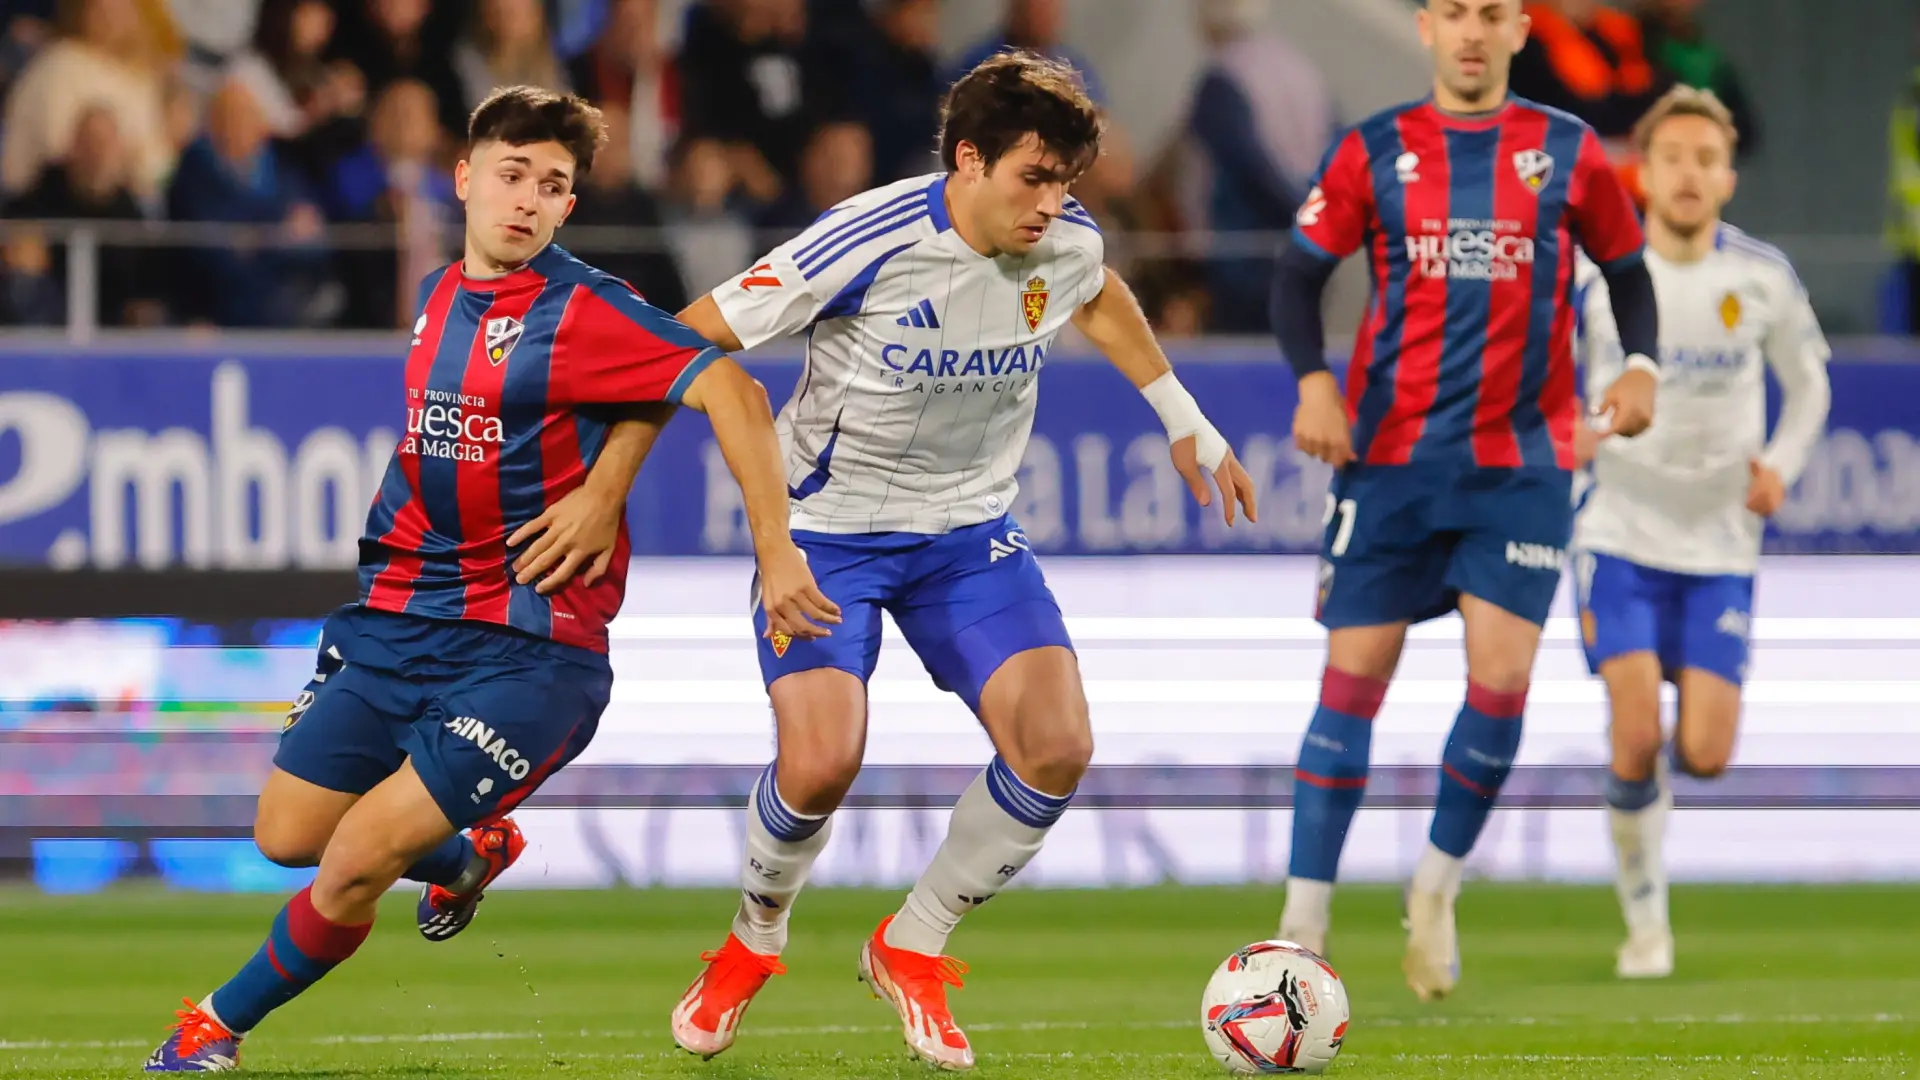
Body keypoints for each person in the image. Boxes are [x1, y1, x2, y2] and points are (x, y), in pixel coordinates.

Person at [142, 84, 835, 1072]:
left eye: (552, 186)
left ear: (567, 208)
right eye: (511, 175)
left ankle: (212, 1028)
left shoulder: (583, 308)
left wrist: (776, 553)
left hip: (528, 654)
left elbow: (728, 385)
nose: (528, 200)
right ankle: (470, 855)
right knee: (288, 832)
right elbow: (437, 454)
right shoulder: (437, 294)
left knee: (351, 862)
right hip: (401, 625)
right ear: (464, 179)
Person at [657, 51, 1257, 1071]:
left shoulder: (1062, 241)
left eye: (1067, 181)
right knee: (821, 760)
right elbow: (691, 338)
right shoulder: (865, 239)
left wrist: (1182, 415)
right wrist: (671, 499)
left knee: (1059, 743)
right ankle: (753, 940)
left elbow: (1098, 290)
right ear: (968, 160)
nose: (1052, 203)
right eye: (1033, 177)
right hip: (828, 533)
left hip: (965, 535)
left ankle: (914, 941)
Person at [1269, 0, 1661, 1002]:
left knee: (1502, 683)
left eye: (1492, 13)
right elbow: (1297, 273)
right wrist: (1313, 381)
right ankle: (1302, 925)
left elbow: (1626, 269)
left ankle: (1435, 890)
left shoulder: (1568, 151)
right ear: (1427, 27)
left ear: (1520, 29)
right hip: (1391, 461)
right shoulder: (1374, 150)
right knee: (1352, 682)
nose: (1473, 31)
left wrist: (1644, 364)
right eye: (1455, 13)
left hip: (1521, 469)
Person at [1571, 87, 1830, 980]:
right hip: (1619, 530)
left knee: (1708, 755)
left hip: (1720, 543)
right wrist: (1570, 431)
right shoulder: (1598, 275)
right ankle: (1647, 925)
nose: (1689, 173)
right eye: (1672, 156)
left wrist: (1781, 467)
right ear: (1643, 172)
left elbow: (1811, 384)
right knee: (1635, 732)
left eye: (1706, 159)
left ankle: (1651, 800)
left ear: (1727, 177)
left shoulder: (1761, 277)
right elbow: (1541, 369)